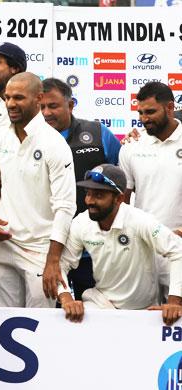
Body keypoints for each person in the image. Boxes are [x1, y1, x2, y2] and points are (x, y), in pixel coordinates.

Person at [0, 72, 76, 309]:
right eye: (8, 98)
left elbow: (65, 207)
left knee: (38, 327)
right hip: (1, 246)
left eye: (19, 98)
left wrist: (54, 261)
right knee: (3, 322)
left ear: (38, 99)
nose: (11, 104)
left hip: (40, 250)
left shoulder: (54, 143)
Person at [58, 164, 182, 326]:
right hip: (100, 305)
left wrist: (174, 301)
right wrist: (66, 296)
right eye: (88, 194)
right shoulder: (81, 223)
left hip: (145, 312)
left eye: (98, 195)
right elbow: (60, 263)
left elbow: (178, 250)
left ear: (119, 199)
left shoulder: (140, 221)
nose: (89, 201)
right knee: (75, 321)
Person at [40, 77, 121, 300]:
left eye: (53, 106)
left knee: (98, 316)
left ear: (71, 104)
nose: (46, 113)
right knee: (53, 315)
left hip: (94, 248)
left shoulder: (98, 134)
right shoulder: (30, 139)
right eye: (41, 107)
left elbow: (123, 182)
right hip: (47, 249)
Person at [120, 82, 182, 236]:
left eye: (150, 112)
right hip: (144, 243)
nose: (144, 118)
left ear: (169, 107)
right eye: (140, 113)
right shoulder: (131, 145)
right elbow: (122, 201)